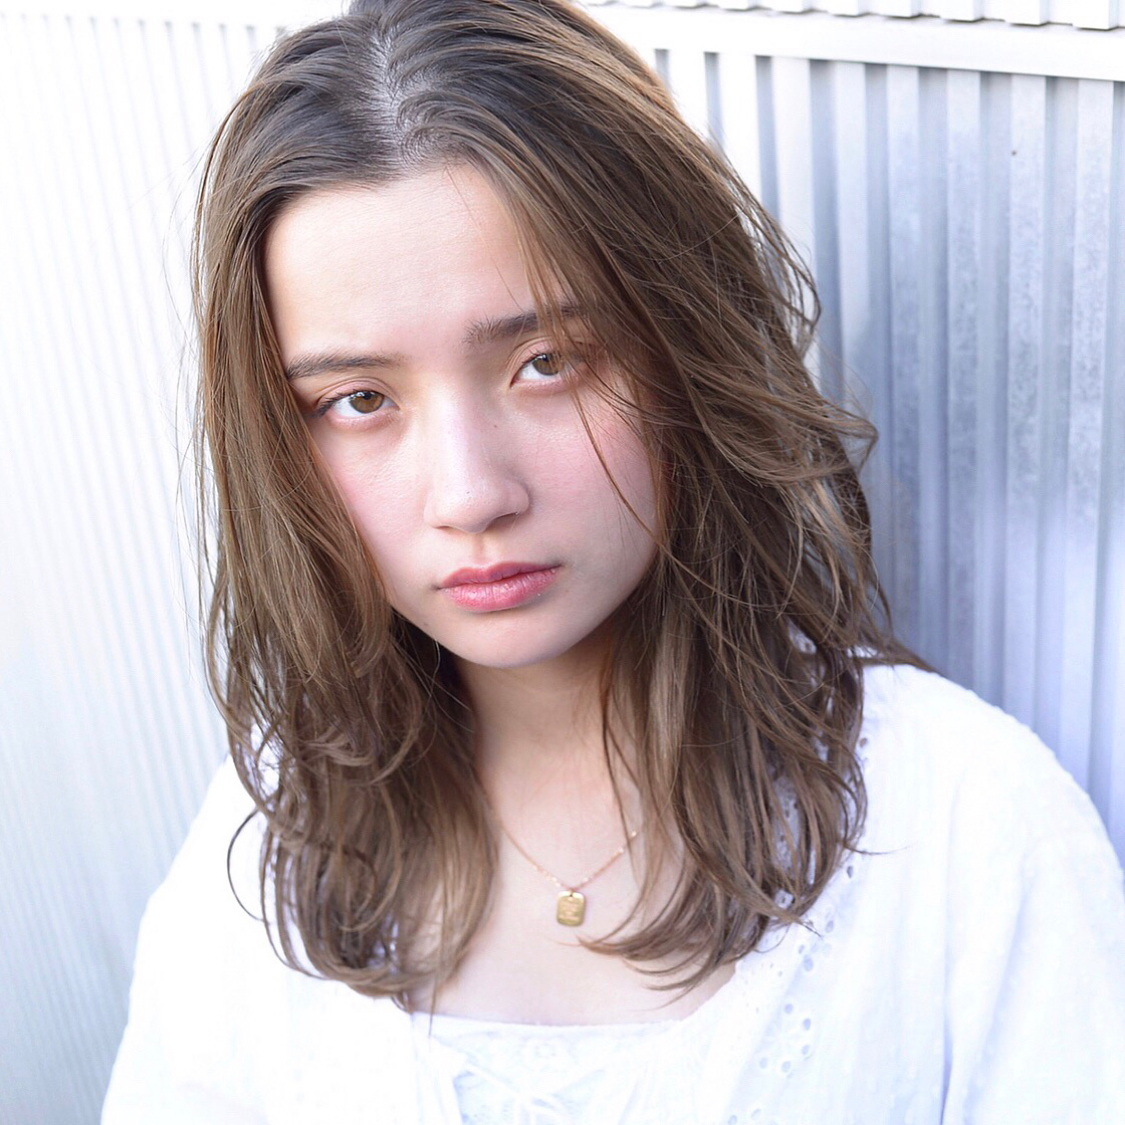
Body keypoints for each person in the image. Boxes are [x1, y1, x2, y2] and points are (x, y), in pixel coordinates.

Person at [103, 1, 1125, 1121]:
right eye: (359, 400)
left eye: (546, 362)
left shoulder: (965, 826)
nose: (471, 494)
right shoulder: (274, 827)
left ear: (685, 346)